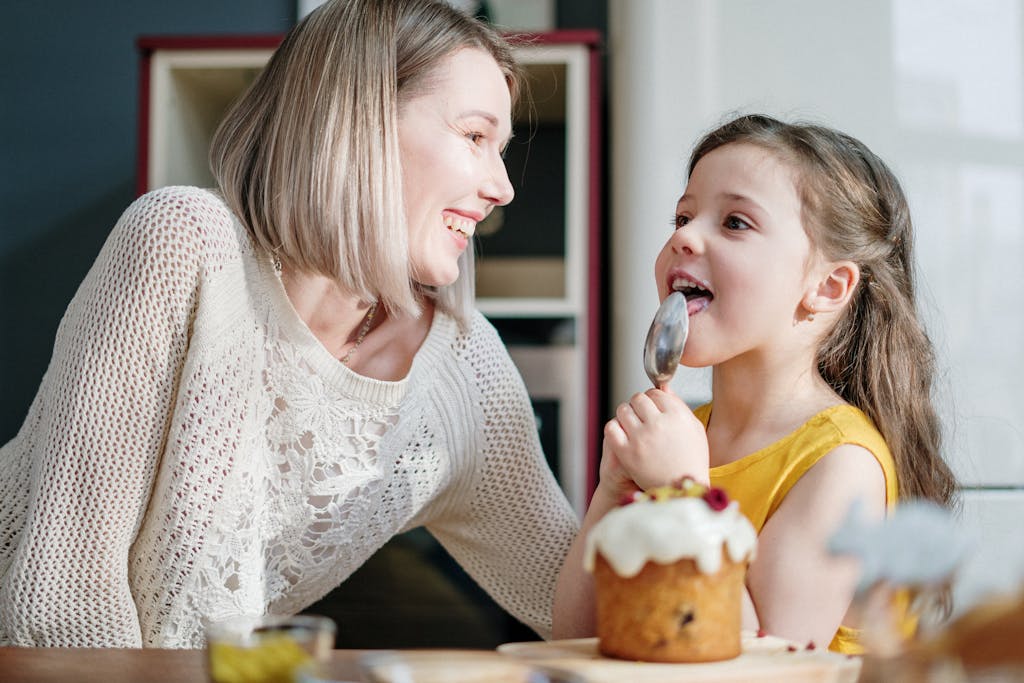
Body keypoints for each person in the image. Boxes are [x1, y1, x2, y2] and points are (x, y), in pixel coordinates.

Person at [0, 0, 579, 648]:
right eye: (476, 137)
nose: (502, 186)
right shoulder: (184, 246)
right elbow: (64, 602)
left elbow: (576, 606)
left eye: (500, 150)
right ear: (360, 121)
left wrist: (638, 481)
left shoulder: (464, 371)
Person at [553, 113, 957, 653]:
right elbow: (576, 638)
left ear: (827, 286)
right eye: (682, 217)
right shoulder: (686, 440)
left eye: (735, 223)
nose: (685, 238)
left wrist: (682, 496)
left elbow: (771, 661)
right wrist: (616, 491)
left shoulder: (841, 463)